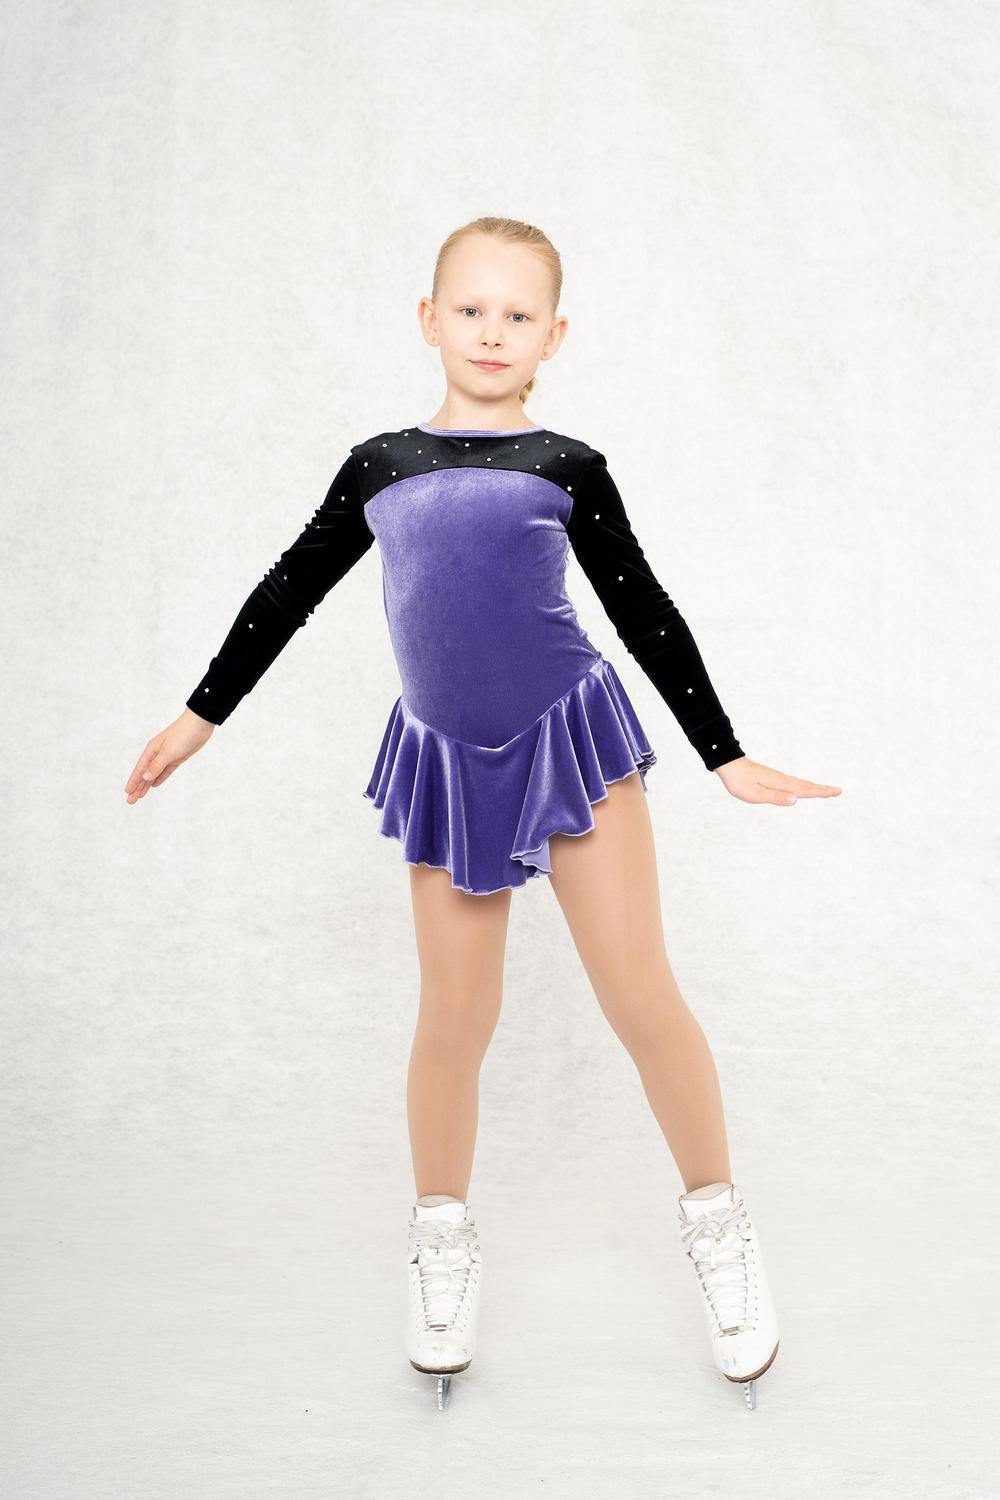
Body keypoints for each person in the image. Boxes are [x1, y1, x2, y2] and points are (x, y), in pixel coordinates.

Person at [125, 215, 841, 1412]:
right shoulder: (379, 466)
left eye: (517, 315)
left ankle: (719, 1225)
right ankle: (442, 1243)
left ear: (553, 337)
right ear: (429, 319)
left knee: (640, 997)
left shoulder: (566, 466)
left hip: (572, 747)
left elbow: (643, 608)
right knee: (454, 1017)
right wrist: (200, 717)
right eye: (470, 309)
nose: (492, 332)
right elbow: (286, 590)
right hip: (450, 765)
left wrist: (724, 754)